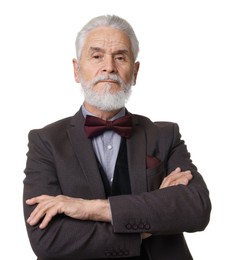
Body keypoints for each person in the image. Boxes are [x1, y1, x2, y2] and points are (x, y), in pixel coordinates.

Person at [23, 15, 211, 260]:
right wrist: (146, 226)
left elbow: (196, 209)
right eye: (97, 56)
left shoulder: (165, 135)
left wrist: (94, 209)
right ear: (77, 69)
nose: (109, 67)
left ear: (135, 71)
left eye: (120, 57)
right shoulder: (45, 141)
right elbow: (46, 239)